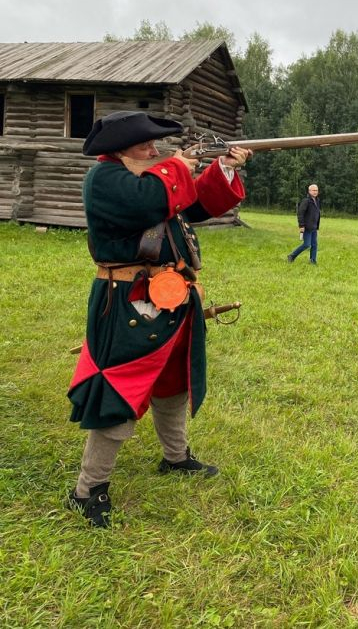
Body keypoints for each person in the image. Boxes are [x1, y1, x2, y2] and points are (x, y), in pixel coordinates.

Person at [66, 111, 251, 527]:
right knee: (119, 390)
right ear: (118, 151)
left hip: (172, 298)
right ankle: (87, 489)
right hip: (127, 300)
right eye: (144, 146)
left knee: (173, 380)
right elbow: (149, 198)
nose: (154, 151)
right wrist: (178, 165)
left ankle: (176, 457)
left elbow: (195, 205)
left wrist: (222, 166)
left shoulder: (152, 180)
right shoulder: (107, 180)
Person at [287, 183, 320, 265]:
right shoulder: (306, 201)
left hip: (314, 227)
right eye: (313, 190)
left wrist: (317, 226)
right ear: (309, 191)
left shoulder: (317, 201)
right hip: (307, 227)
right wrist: (301, 225)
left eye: (316, 190)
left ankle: (313, 260)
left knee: (314, 245)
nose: (315, 192)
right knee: (306, 244)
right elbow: (300, 213)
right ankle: (291, 256)